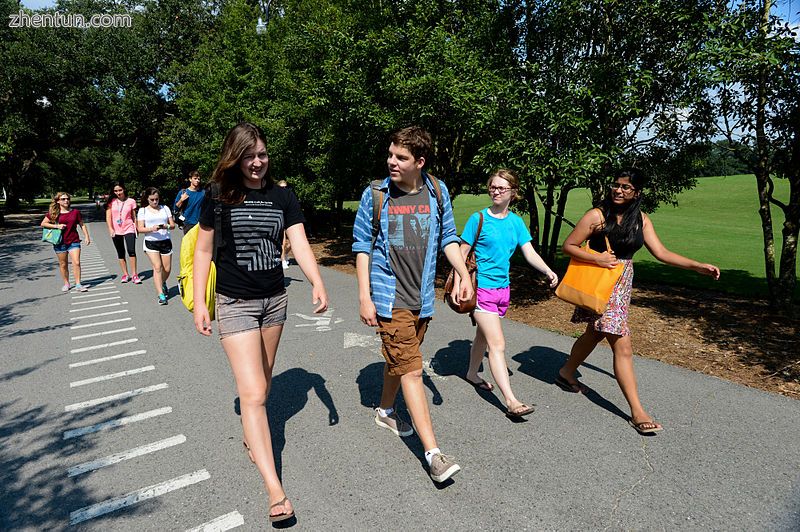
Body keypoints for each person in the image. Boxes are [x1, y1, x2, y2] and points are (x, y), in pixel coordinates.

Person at [192, 122, 329, 523]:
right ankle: (275, 490)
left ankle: (254, 436)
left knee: (264, 385)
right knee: (252, 394)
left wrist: (317, 280)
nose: (257, 163)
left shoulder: (281, 195)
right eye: (249, 156)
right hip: (234, 302)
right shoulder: (217, 196)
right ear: (235, 158)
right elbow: (203, 252)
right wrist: (201, 302)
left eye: (263, 155)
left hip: (274, 301)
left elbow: (299, 240)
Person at [556, 169, 720, 435]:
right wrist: (598, 258)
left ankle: (566, 372)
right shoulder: (596, 215)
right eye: (616, 185)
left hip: (621, 286)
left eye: (626, 187)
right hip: (601, 283)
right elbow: (569, 245)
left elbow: (662, 253)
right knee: (623, 345)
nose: (618, 190)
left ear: (637, 192)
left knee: (595, 332)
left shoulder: (641, 220)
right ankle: (637, 411)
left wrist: (696, 266)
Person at [352, 125, 473, 484]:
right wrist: (364, 296)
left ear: (419, 162)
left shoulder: (437, 191)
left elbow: (448, 237)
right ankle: (434, 455)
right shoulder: (375, 195)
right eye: (390, 154)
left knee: (401, 361)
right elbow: (361, 246)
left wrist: (463, 274)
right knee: (413, 369)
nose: (391, 161)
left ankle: (386, 410)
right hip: (389, 297)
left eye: (400, 158)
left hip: (421, 297)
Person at [453, 169, 559, 418]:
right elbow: (461, 252)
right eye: (493, 187)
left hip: (503, 290)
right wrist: (461, 283)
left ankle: (471, 372)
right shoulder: (478, 218)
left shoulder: (516, 222)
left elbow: (529, 252)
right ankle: (511, 401)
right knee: (497, 344)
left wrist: (548, 270)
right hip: (482, 290)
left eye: (502, 188)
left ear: (513, 192)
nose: (496, 191)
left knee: (482, 336)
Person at [40, 192, 92, 292]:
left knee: (76, 262)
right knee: (63, 264)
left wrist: (87, 236)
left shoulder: (75, 212)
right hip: (59, 242)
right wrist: (57, 226)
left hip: (73, 241)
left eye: (67, 199)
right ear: (58, 201)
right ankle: (66, 283)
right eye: (63, 199)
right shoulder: (54, 213)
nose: (66, 201)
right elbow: (43, 223)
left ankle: (78, 284)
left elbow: (82, 224)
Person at [137, 187, 175, 305]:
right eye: (152, 199)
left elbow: (173, 225)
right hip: (151, 242)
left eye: (157, 199)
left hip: (165, 241)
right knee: (157, 267)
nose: (155, 202)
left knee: (167, 269)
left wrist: (166, 226)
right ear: (147, 199)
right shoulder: (143, 211)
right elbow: (140, 228)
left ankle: (162, 282)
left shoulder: (165, 208)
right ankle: (161, 295)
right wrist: (151, 228)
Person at [105, 182, 141, 284]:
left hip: (129, 228)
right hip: (116, 230)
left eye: (120, 190)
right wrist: (111, 229)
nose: (118, 192)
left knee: (131, 251)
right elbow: (108, 217)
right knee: (121, 253)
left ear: (124, 189)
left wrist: (136, 227)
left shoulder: (131, 201)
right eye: (115, 191)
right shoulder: (111, 202)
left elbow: (134, 217)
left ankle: (134, 274)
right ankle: (125, 274)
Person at [173, 170, 206, 234]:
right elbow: (175, 209)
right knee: (189, 243)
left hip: (200, 223)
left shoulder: (203, 193)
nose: (197, 180)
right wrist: (181, 200)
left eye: (199, 179)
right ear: (190, 179)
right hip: (188, 223)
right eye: (195, 178)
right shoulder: (183, 192)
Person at [276, 180, 292, 269]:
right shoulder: (275, 197)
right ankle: (282, 261)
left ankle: (285, 254)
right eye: (282, 187)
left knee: (292, 243)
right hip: (280, 222)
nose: (284, 189)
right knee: (283, 242)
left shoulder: (289, 197)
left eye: (285, 187)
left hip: (288, 221)